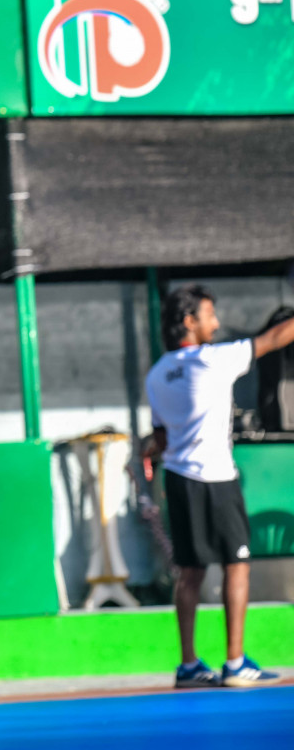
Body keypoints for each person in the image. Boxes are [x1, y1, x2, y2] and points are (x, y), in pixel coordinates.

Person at [145, 285, 294, 688]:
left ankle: (189, 664)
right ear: (189, 322)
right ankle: (234, 663)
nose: (216, 321)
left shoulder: (157, 373)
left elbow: (159, 439)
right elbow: (275, 338)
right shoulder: (212, 360)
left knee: (189, 573)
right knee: (236, 564)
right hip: (216, 479)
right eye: (209, 314)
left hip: (178, 480)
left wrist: (147, 451)